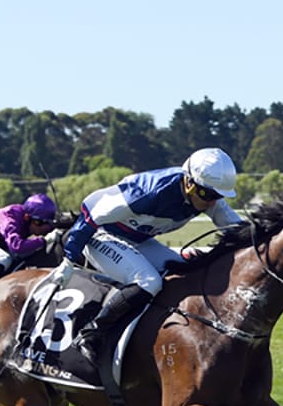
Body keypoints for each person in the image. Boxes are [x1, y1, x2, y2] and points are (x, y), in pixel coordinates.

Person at [52, 147, 244, 366]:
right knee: (148, 281)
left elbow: (236, 228)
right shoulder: (150, 192)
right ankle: (91, 333)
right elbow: (90, 212)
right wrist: (68, 260)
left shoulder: (203, 192)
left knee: (189, 271)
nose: (212, 202)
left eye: (218, 196)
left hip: (137, 238)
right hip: (99, 234)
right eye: (208, 195)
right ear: (189, 182)